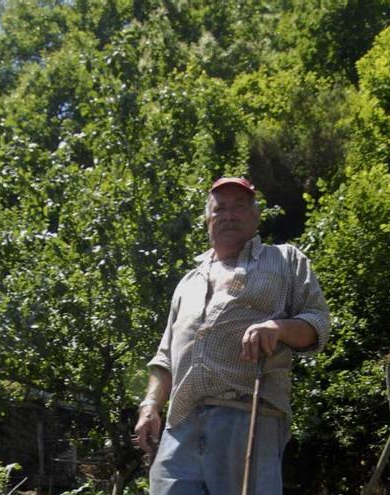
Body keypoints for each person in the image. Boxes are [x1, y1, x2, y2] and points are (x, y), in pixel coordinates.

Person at [134, 177, 330, 494]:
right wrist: (150, 406)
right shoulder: (188, 281)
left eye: (239, 206)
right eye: (220, 208)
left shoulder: (285, 260)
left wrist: (277, 328)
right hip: (180, 425)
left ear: (255, 216)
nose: (229, 215)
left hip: (248, 415)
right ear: (207, 220)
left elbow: (317, 323)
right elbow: (164, 357)